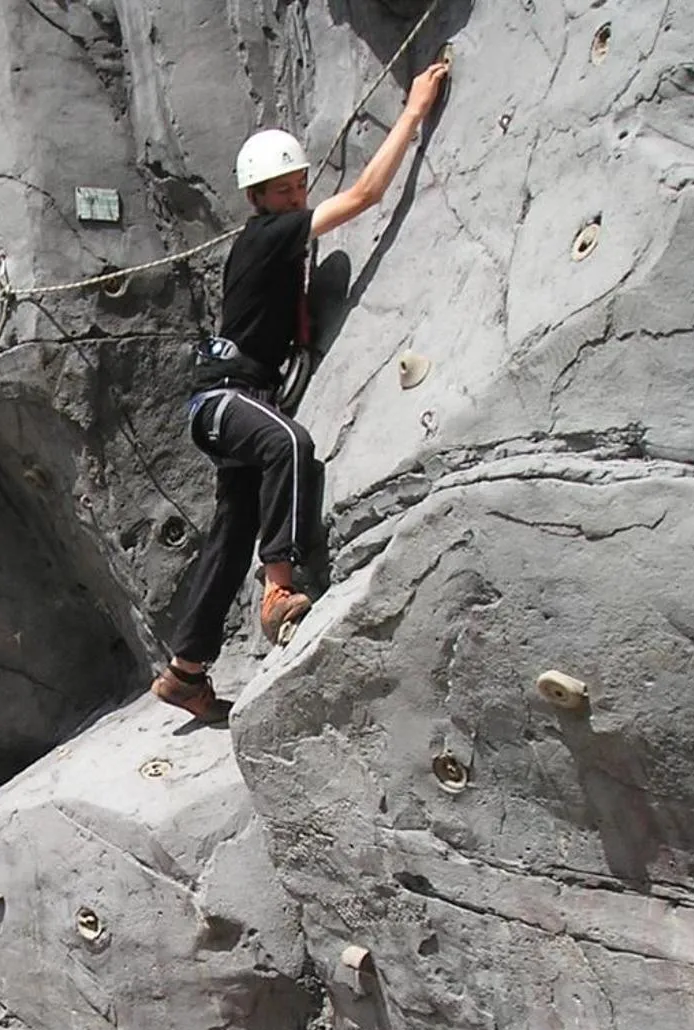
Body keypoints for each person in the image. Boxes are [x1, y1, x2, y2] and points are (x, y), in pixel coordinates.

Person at [153, 60, 452, 724]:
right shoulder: (271, 232)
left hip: (231, 401)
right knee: (290, 443)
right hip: (225, 400)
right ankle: (278, 591)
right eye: (283, 192)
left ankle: (185, 671)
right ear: (259, 199)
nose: (295, 199)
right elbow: (369, 195)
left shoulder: (267, 230)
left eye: (297, 189)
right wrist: (415, 112)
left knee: (231, 532)